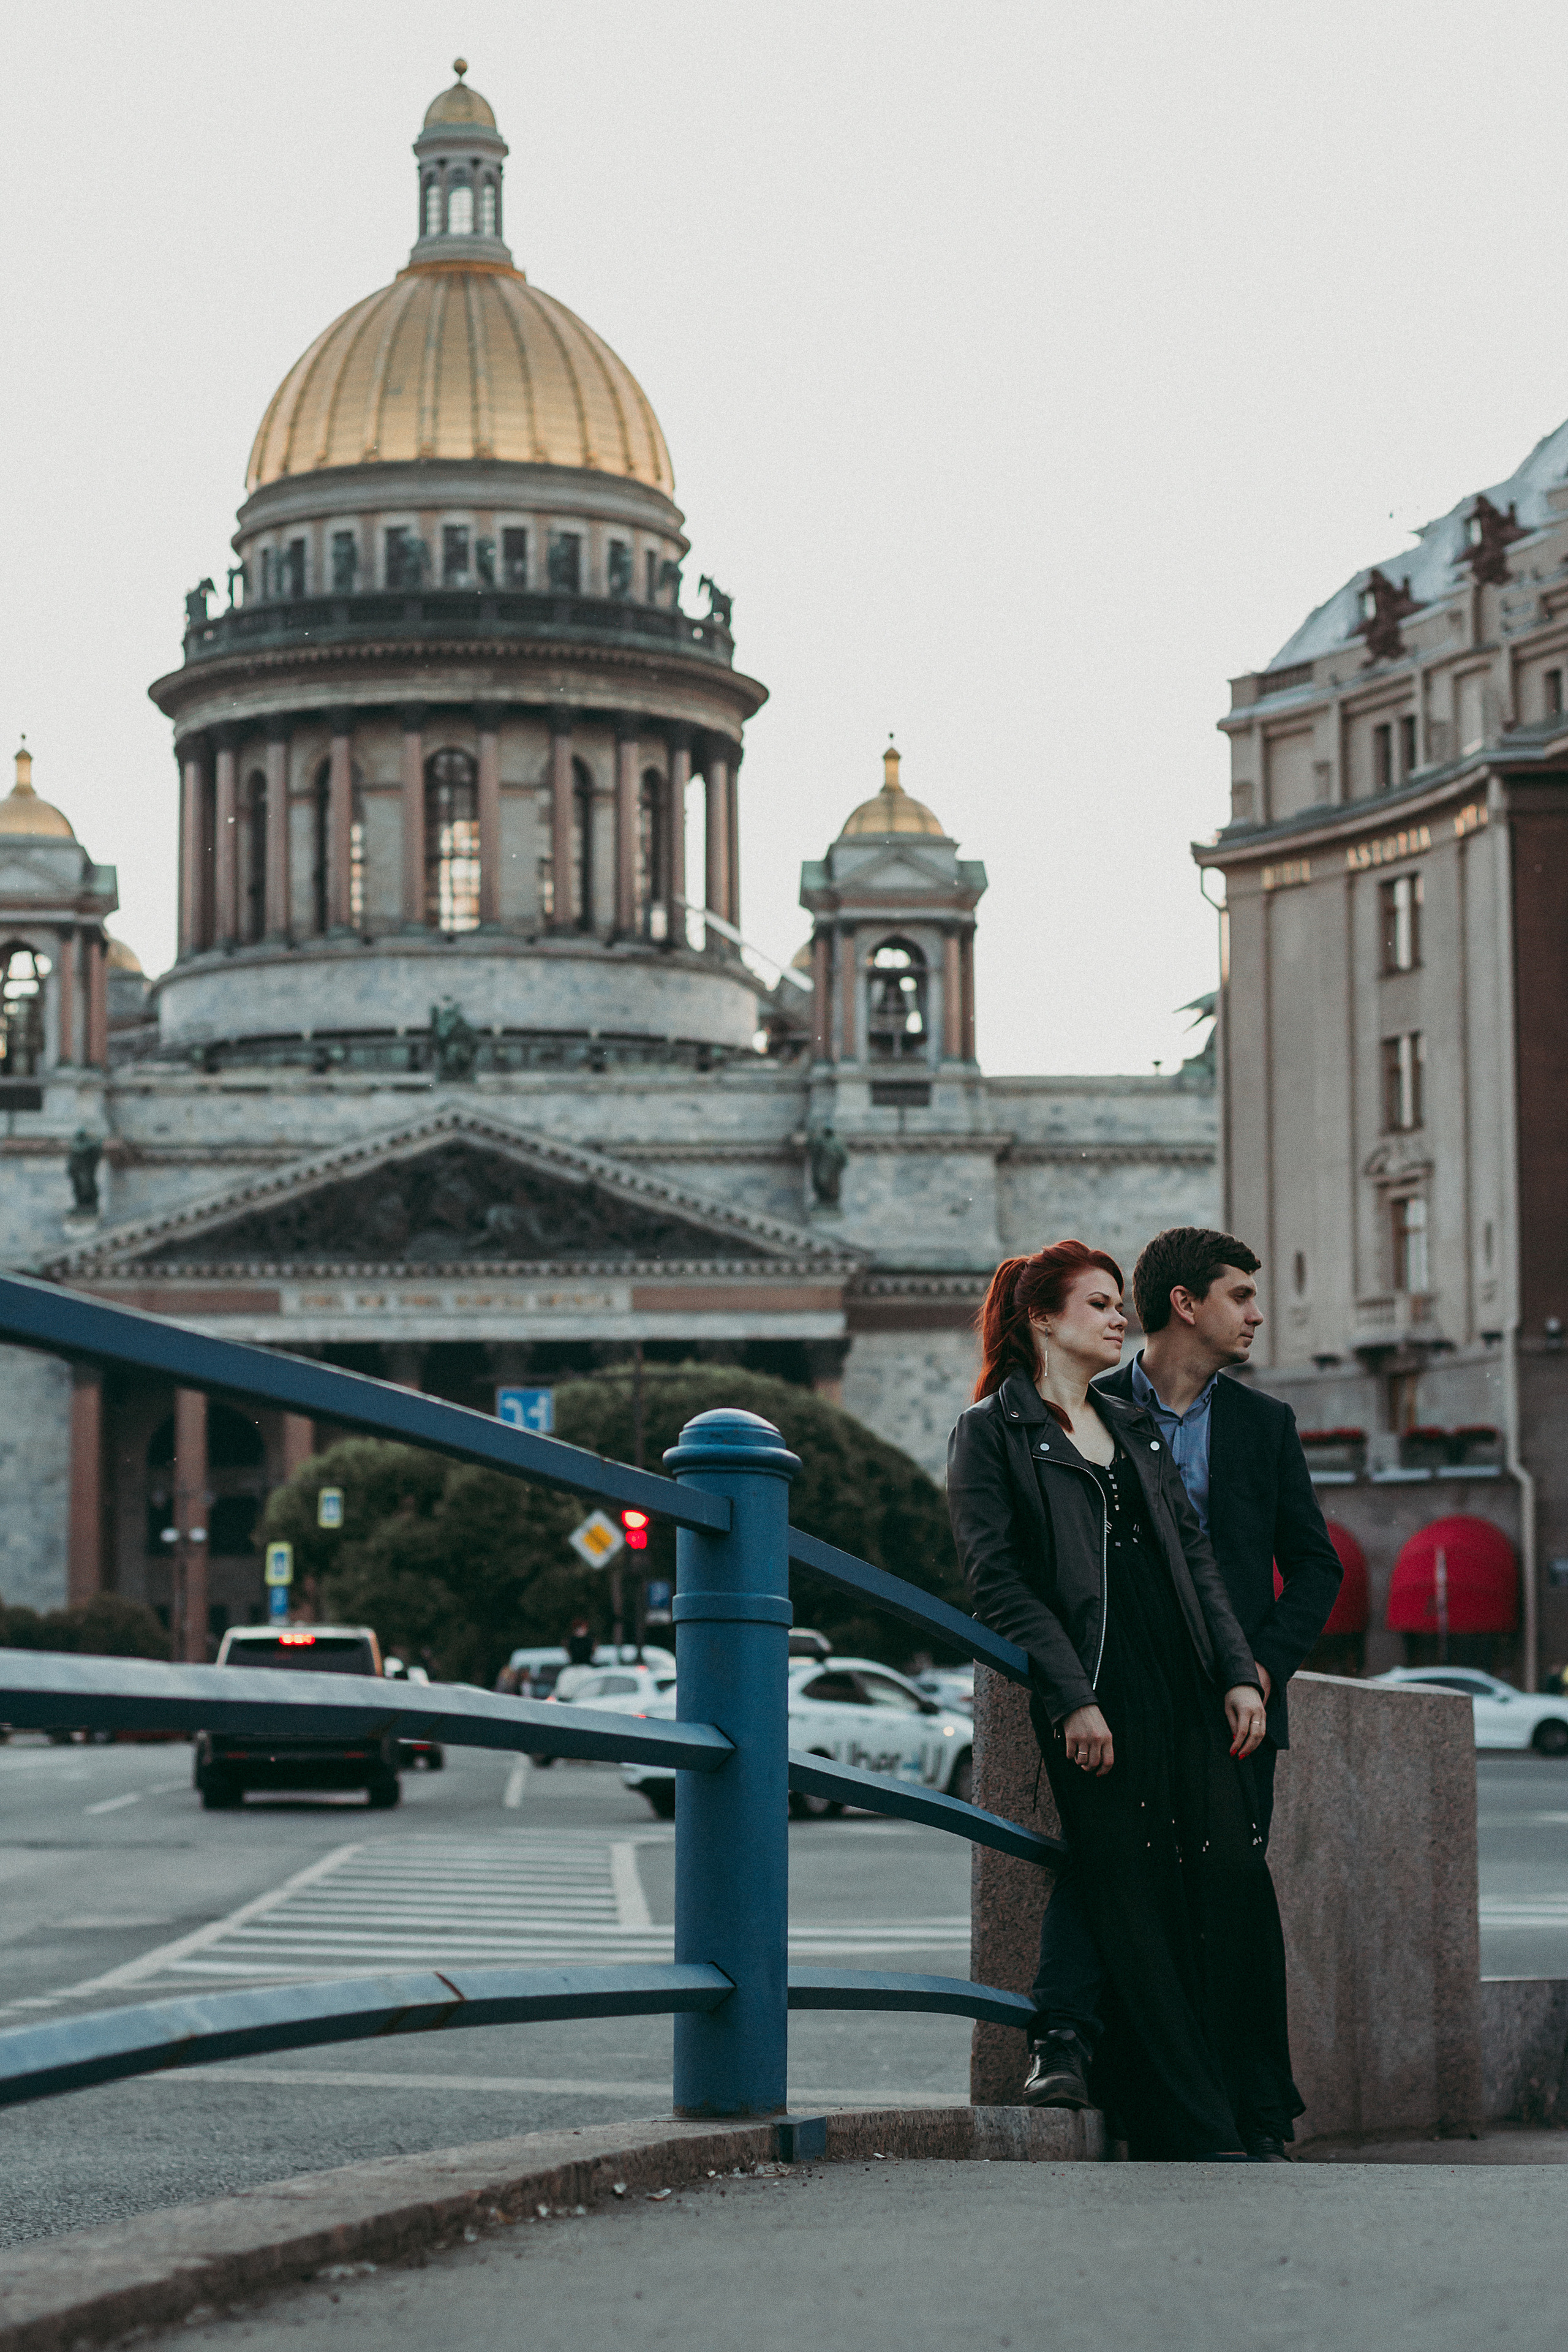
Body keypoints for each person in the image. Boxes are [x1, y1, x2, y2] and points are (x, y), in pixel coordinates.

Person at [947, 1239, 1303, 2162]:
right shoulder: (992, 1430)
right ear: (1043, 1319)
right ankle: (1188, 2125)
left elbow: (1197, 1566)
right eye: (1100, 1305)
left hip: (1185, 1685)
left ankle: (1255, 2108)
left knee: (1227, 1883)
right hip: (1100, 1690)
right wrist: (1071, 1698)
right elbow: (1000, 1583)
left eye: (1120, 1303)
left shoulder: (1130, 1423)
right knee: (1132, 1898)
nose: (1119, 1319)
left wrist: (1235, 1672)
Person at [1025, 1227, 1344, 2131]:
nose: (1255, 1313)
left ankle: (1246, 2110)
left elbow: (1316, 1567)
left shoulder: (1263, 1425)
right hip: (1124, 1688)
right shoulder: (1088, 1405)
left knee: (1232, 1886)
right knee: (1111, 1862)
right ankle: (1082, 2055)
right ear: (1185, 1304)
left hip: (1237, 1703)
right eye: (1240, 1295)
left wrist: (1262, 1669)